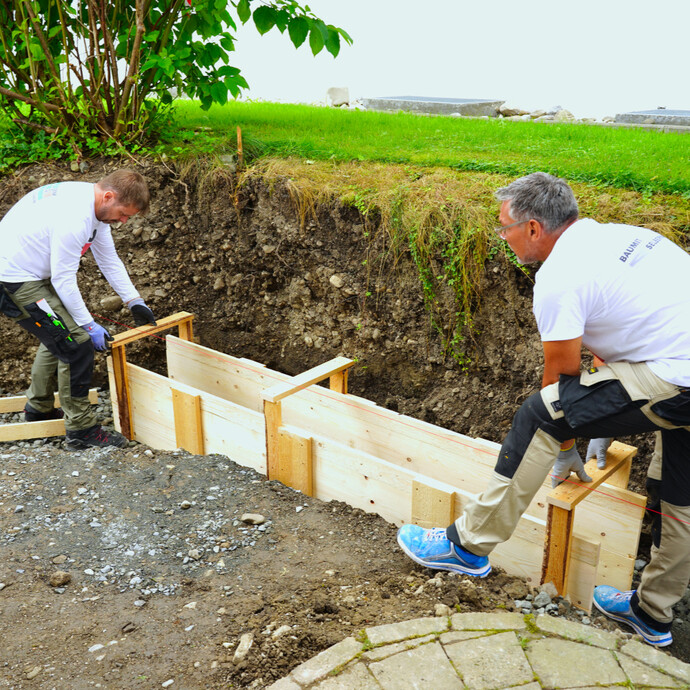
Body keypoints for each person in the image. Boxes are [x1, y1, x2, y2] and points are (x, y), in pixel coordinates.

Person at [397, 172, 690, 647]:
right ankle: (652, 613)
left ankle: (466, 547)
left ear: (534, 228)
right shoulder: (627, 238)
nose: (502, 237)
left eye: (504, 227)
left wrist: (568, 444)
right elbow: (641, 320)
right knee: (681, 494)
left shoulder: (558, 276)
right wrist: (611, 405)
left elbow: (560, 381)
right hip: (680, 369)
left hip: (679, 378)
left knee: (540, 415)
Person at [0, 169, 157, 449]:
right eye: (123, 213)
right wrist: (88, 325)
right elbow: (63, 279)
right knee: (76, 344)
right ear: (108, 196)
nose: (122, 221)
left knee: (60, 335)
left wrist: (135, 301)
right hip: (12, 280)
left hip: (27, 272)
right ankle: (81, 432)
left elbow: (109, 260)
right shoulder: (75, 217)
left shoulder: (94, 208)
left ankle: (39, 410)